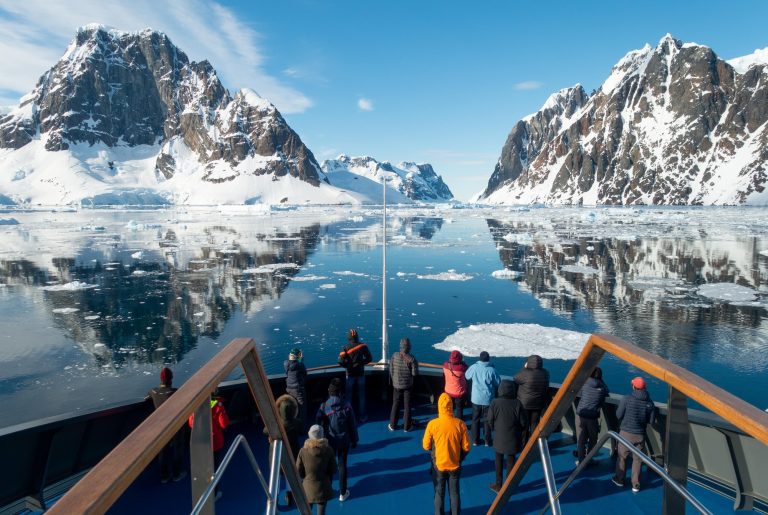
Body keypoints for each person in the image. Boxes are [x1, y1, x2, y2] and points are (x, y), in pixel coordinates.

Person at [423, 392, 471, 515]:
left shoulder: (432, 424)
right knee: (454, 493)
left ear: (439, 407)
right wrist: (459, 457)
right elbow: (466, 447)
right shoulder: (460, 424)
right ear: (451, 406)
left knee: (439, 492)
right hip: (454, 464)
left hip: (438, 465)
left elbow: (426, 445)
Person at [316, 378, 358, 502]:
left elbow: (318, 424)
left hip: (330, 441)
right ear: (340, 392)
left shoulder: (323, 407)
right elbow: (352, 425)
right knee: (342, 465)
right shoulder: (347, 406)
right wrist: (354, 440)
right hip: (344, 441)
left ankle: (328, 490)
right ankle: (342, 493)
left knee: (329, 465)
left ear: (329, 392)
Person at [612, 376, 656, 493]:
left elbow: (618, 415)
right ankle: (635, 485)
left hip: (625, 433)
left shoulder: (627, 399)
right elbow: (651, 421)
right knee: (637, 460)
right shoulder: (650, 403)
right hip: (640, 435)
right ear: (644, 388)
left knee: (622, 457)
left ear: (633, 387)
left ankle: (619, 479)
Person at [146, 367, 185, 483]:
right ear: (171, 378)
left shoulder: (153, 391)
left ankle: (164, 476)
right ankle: (177, 474)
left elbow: (146, 397)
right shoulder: (175, 392)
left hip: (160, 426)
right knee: (178, 448)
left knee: (162, 450)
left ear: (161, 379)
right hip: (175, 424)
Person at [488, 379, 528, 492]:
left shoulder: (495, 402)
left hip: (499, 438)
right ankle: (508, 486)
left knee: (498, 460)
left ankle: (498, 484)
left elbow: (490, 420)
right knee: (511, 460)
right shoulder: (517, 403)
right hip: (513, 438)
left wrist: (495, 429)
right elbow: (524, 423)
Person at [188, 391, 230, 497]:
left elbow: (191, 424)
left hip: (201, 443)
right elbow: (224, 424)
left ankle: (203, 491)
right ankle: (214, 494)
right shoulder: (217, 406)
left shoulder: (195, 406)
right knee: (214, 468)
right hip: (214, 443)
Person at [264, 394, 304, 506]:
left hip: (276, 453)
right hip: (292, 452)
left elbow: (264, 431)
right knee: (289, 475)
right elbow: (302, 431)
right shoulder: (297, 423)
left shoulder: (274, 424)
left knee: (275, 477)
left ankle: (275, 500)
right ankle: (290, 496)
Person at [297, 424, 338, 515]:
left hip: (308, 487)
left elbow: (299, 471)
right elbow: (333, 469)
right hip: (323, 487)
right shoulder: (328, 450)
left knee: (306, 511)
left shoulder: (303, 451)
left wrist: (306, 478)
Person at [465, 351, 501, 446]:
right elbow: (498, 382)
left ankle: (475, 440)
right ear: (488, 359)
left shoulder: (474, 367)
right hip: (488, 399)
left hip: (476, 398)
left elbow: (467, 376)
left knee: (475, 419)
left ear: (479, 358)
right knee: (487, 420)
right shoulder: (492, 370)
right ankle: (487, 441)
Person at [575, 367, 609, 465]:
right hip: (593, 417)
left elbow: (579, 393)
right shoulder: (602, 388)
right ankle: (589, 459)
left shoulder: (584, 383)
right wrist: (601, 381)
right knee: (593, 439)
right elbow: (607, 391)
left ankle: (581, 460)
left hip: (580, 415)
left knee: (581, 440)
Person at [513, 354, 550, 444]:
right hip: (538, 403)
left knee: (524, 424)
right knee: (534, 423)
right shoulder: (545, 373)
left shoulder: (525, 373)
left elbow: (515, 378)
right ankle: (533, 443)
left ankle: (524, 444)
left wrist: (525, 368)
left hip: (524, 404)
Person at [338, 329, 372, 422]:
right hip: (360, 373)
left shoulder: (345, 348)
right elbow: (369, 358)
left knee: (349, 396)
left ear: (349, 337)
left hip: (350, 374)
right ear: (357, 336)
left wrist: (347, 366)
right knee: (361, 396)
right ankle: (362, 416)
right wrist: (361, 363)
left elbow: (340, 361)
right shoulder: (363, 346)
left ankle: (348, 416)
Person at [389, 337, 419, 431]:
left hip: (396, 385)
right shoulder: (412, 359)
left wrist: (394, 380)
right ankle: (407, 427)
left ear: (400, 346)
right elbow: (415, 374)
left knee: (396, 404)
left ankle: (393, 425)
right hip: (407, 386)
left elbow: (391, 370)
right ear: (409, 347)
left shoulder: (394, 355)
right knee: (407, 406)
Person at [285, 347, 308, 428]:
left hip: (289, 389)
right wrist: (301, 360)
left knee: (293, 407)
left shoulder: (286, 363)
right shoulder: (300, 365)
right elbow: (305, 373)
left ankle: (293, 426)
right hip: (298, 390)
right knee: (302, 408)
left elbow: (293, 366)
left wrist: (299, 360)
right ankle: (302, 427)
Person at [442, 350, 468, 419]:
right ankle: (459, 422)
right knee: (459, 408)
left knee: (450, 407)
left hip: (448, 391)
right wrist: (462, 362)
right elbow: (466, 367)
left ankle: (450, 420)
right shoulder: (462, 368)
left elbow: (447, 363)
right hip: (459, 393)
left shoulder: (446, 365)